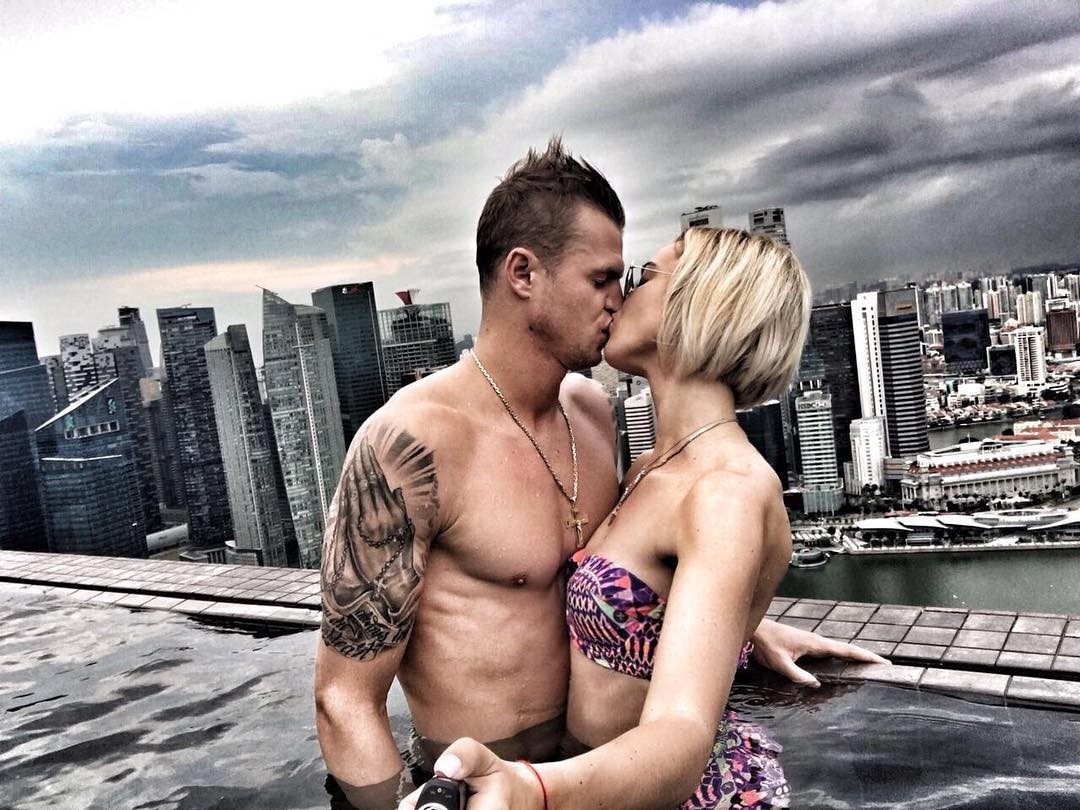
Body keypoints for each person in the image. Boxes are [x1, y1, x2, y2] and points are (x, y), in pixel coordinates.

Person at [315, 138, 885, 809]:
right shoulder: (411, 444)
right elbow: (342, 699)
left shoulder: (591, 413)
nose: (619, 297)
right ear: (523, 274)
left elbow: (651, 573)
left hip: (586, 784)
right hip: (479, 786)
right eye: (602, 279)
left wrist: (727, 629)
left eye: (633, 278)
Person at [399, 227, 815, 810]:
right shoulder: (652, 466)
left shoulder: (725, 492)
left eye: (642, 277)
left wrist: (533, 790)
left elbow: (681, 732)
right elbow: (658, 604)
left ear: (703, 305)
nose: (619, 295)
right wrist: (741, 632)